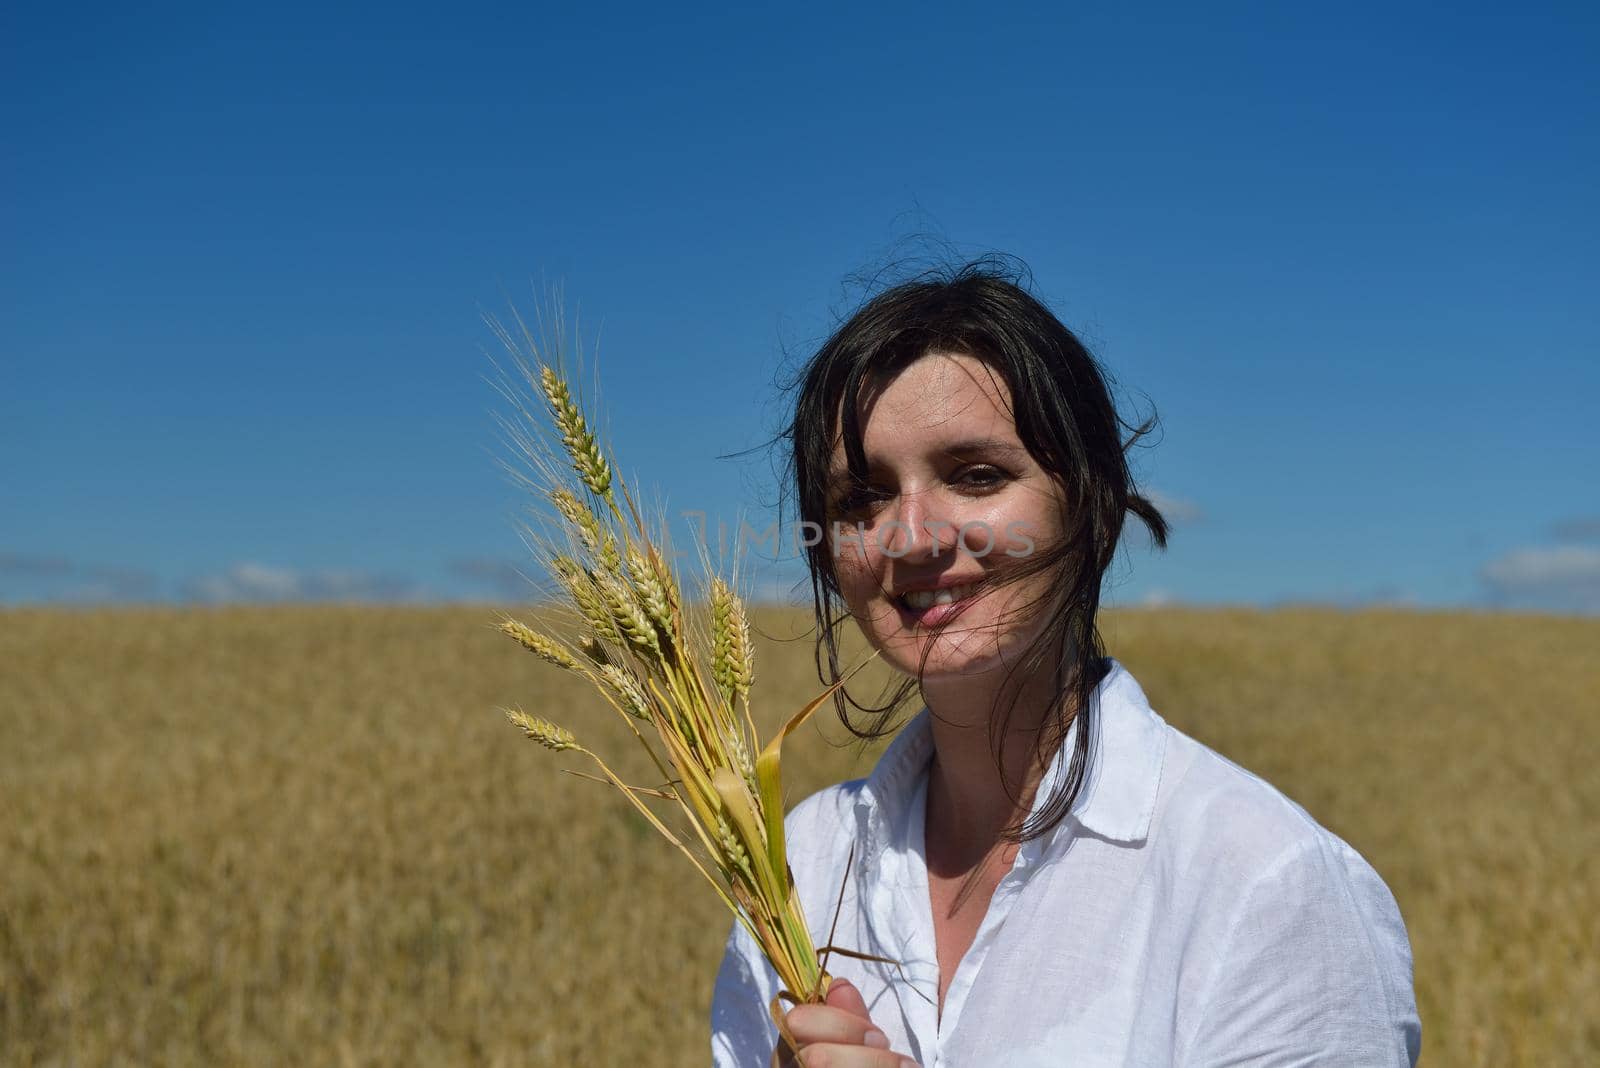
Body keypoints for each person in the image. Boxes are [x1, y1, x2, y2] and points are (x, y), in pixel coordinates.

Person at [709, 258, 1421, 1067]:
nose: (911, 536)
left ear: (1091, 508)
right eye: (862, 499)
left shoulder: (1266, 885)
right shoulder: (799, 862)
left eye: (976, 476)